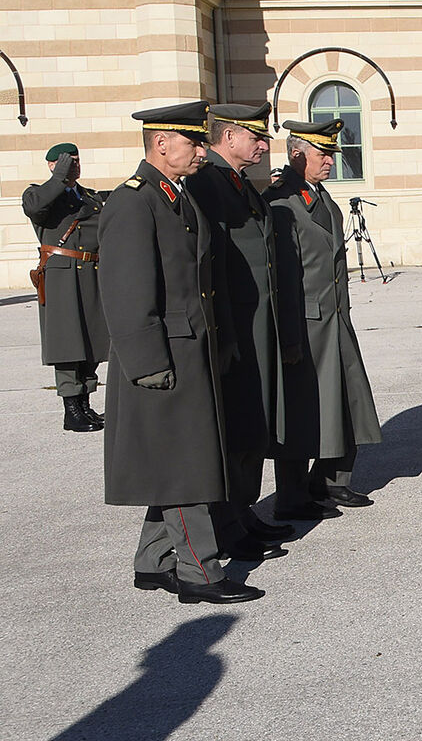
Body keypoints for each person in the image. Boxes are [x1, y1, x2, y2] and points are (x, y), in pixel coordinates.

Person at [101, 100, 263, 603]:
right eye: (192, 142)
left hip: (194, 351)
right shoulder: (133, 202)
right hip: (161, 358)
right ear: (161, 143)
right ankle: (199, 572)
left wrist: (223, 339)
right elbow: (126, 292)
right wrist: (148, 364)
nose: (200, 150)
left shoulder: (177, 196)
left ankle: (153, 561)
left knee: (178, 459)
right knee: (185, 467)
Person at [185, 103, 291, 555]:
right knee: (235, 428)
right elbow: (212, 265)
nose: (263, 145)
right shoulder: (206, 181)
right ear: (228, 137)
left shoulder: (237, 181)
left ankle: (243, 514)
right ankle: (226, 525)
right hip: (234, 324)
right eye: (255, 137)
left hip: (255, 323)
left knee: (252, 424)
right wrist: (224, 332)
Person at [266, 120, 383, 519]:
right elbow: (282, 278)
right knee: (302, 409)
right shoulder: (281, 202)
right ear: (296, 155)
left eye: (331, 154)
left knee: (346, 401)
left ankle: (331, 480)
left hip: (333, 320)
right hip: (305, 323)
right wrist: (288, 336)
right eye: (322, 154)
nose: (330, 161)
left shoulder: (320, 197)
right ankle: (292, 497)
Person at [22, 142, 109, 432]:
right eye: (67, 161)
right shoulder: (40, 195)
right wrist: (59, 177)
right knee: (67, 343)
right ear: (52, 165)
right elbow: (34, 208)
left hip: (91, 273)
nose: (75, 166)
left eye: (76, 160)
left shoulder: (89, 197)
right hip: (62, 278)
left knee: (92, 339)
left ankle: (84, 404)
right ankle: (71, 410)